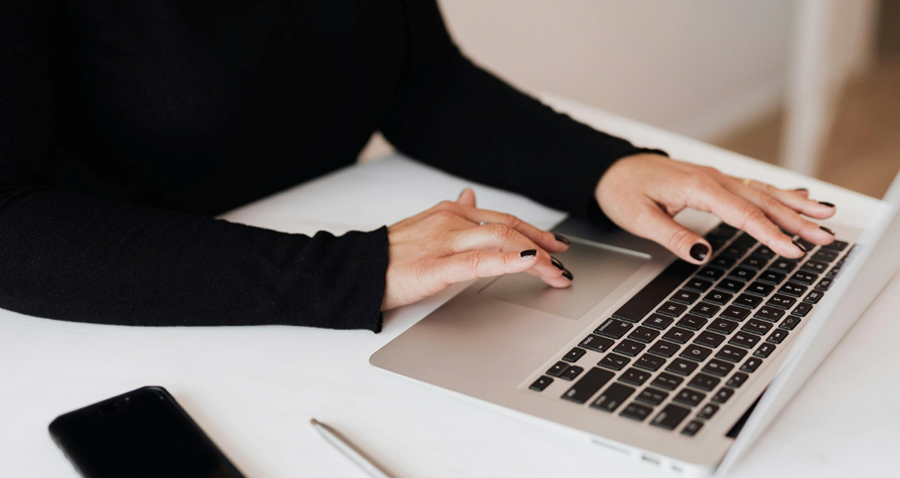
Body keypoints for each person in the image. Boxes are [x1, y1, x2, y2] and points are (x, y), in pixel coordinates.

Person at [0, 0, 836, 331]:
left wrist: (607, 170)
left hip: (296, 278)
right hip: (118, 308)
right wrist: (348, 270)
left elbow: (414, 79)